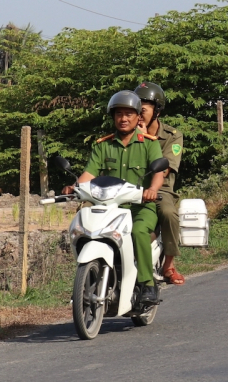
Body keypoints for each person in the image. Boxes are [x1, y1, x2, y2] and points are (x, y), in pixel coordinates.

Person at [64, 91, 165, 305]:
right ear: (113, 117)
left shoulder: (150, 144)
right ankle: (88, 279)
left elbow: (158, 172)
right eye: (119, 114)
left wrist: (152, 190)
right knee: (87, 229)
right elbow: (89, 174)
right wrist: (75, 187)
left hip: (140, 207)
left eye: (129, 114)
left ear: (139, 117)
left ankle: (147, 284)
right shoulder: (103, 145)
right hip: (109, 207)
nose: (124, 118)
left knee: (138, 232)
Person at [134, 82, 185, 286]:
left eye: (143, 109)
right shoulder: (126, 132)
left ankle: (169, 265)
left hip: (160, 188)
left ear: (157, 111)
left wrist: (145, 138)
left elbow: (164, 169)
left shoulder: (173, 136)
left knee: (168, 213)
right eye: (135, 109)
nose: (137, 114)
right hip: (130, 186)